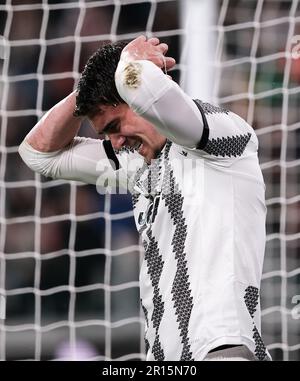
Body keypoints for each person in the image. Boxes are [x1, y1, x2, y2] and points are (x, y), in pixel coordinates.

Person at [18, 36, 270, 361]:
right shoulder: (136, 165)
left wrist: (129, 65)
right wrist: (87, 90)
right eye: (106, 134)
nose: (116, 142)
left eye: (115, 125)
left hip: (220, 348)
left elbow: (147, 92)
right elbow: (38, 154)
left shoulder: (222, 136)